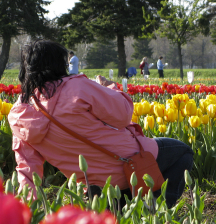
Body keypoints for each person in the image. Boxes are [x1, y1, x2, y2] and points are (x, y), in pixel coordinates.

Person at [8, 40, 193, 208]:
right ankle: (156, 209)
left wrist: (27, 210)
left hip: (92, 183)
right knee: (182, 151)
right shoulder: (76, 87)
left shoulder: (19, 113)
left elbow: (27, 167)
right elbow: (123, 115)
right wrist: (110, 88)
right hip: (129, 163)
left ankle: (117, 207)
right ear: (58, 64)